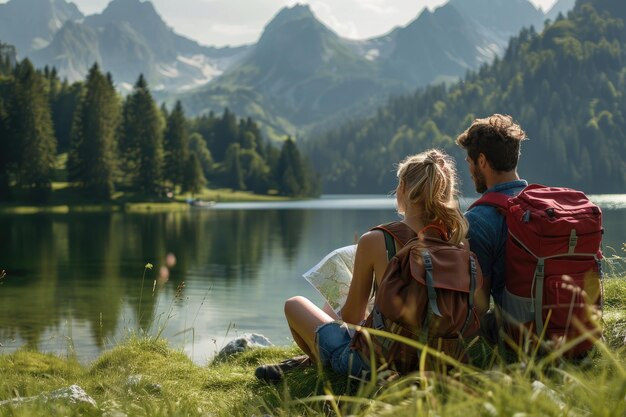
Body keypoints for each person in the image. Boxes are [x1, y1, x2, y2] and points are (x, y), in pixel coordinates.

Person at [255, 149, 482, 383]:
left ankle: (320, 366)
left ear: (403, 188)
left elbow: (353, 317)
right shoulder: (458, 240)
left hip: (378, 363)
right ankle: (308, 363)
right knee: (333, 310)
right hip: (439, 359)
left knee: (295, 304)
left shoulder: (376, 239)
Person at [455, 114, 528, 336]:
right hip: (573, 324)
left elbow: (479, 305)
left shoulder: (478, 219)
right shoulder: (544, 206)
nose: (469, 170)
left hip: (521, 334)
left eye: (470, 162)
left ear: (482, 161)